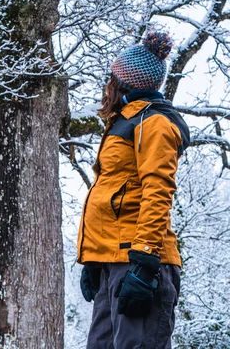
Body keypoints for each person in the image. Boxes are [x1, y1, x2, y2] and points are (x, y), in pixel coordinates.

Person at [77, 31, 190, 349]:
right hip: (113, 261)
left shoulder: (153, 124)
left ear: (125, 83)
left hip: (140, 263)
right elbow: (114, 193)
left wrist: (144, 265)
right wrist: (95, 260)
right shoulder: (122, 122)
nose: (106, 86)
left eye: (112, 79)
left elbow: (158, 190)